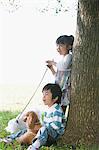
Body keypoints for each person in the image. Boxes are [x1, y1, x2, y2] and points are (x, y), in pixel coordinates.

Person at [27, 83, 65, 150]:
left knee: (43, 129)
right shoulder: (47, 109)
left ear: (55, 98)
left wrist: (43, 127)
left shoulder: (57, 110)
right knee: (30, 128)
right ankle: (11, 138)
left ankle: (35, 146)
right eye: (43, 94)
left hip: (54, 135)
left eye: (46, 94)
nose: (43, 97)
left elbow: (57, 126)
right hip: (47, 132)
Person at [46, 35, 74, 113]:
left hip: (64, 90)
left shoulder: (69, 57)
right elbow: (58, 77)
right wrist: (51, 68)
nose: (58, 48)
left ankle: (60, 123)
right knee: (56, 109)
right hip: (59, 88)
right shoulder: (63, 59)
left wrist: (53, 63)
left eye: (61, 45)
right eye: (57, 45)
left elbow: (64, 66)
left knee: (61, 110)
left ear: (69, 47)